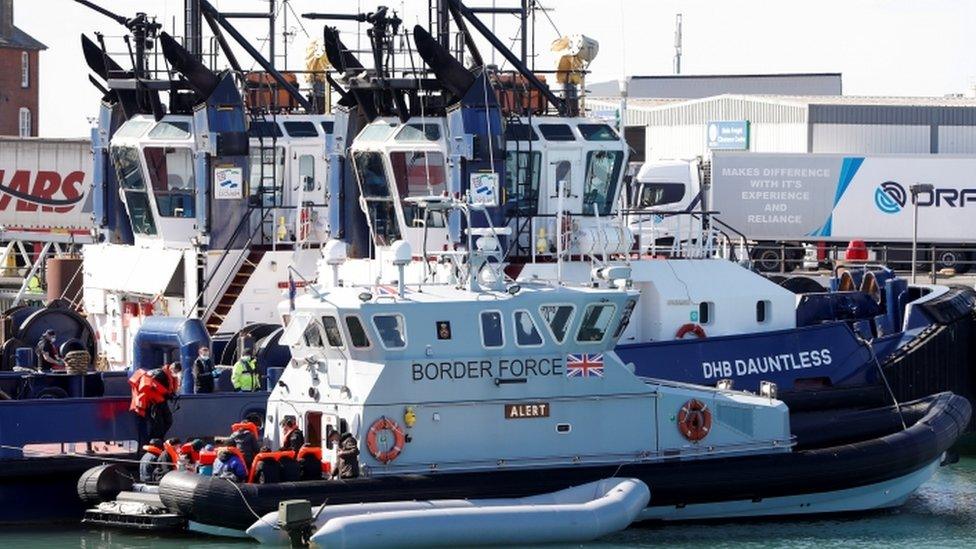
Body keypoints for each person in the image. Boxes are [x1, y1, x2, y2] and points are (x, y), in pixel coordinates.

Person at [129, 362, 182, 442]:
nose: (175, 373)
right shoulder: (160, 373)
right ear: (171, 368)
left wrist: (170, 395)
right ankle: (154, 442)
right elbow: (151, 385)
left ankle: (158, 440)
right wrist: (166, 394)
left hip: (161, 402)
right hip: (154, 403)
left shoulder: (167, 376)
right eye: (175, 370)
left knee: (168, 421)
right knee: (158, 424)